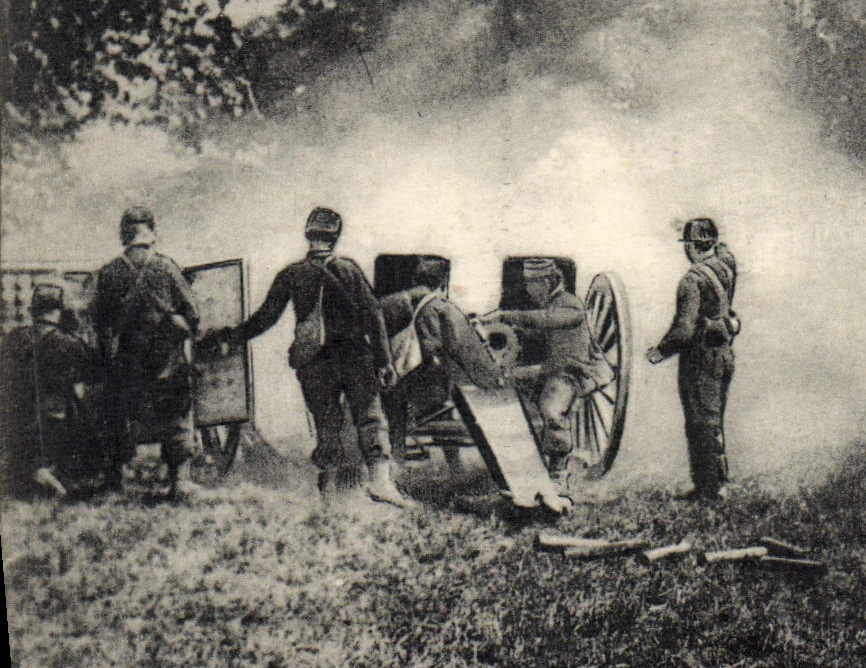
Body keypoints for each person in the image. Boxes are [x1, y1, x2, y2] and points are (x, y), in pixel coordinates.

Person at [225, 207, 408, 507]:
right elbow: (374, 315)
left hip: (315, 364)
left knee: (326, 425)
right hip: (354, 358)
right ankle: (381, 483)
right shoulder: (348, 269)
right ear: (335, 237)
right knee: (371, 418)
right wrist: (385, 362)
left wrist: (230, 336)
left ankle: (328, 498)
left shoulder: (292, 274)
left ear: (308, 236)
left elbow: (264, 318)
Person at [91, 206, 200, 497]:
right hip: (167, 365)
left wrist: (110, 360)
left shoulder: (109, 273)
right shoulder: (166, 267)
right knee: (178, 415)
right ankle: (180, 482)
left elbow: (100, 325)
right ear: (152, 233)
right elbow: (193, 314)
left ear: (123, 235)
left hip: (128, 368)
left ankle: (115, 482)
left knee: (115, 415)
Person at [492, 258, 610, 484]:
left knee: (552, 409)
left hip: (574, 373)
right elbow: (545, 333)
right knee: (504, 380)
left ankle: (557, 474)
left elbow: (549, 321)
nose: (527, 289)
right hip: (551, 369)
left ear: (546, 282)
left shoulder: (570, 304)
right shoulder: (553, 304)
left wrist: (506, 316)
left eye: (531, 283)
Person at [647, 218, 739, 502]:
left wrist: (660, 351)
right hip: (724, 354)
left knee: (700, 422)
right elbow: (726, 252)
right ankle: (714, 484)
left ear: (691, 246)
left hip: (699, 359)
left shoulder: (691, 281)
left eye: (686, 244)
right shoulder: (725, 266)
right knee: (714, 420)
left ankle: (711, 490)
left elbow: (684, 330)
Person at [379, 256, 505, 460]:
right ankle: (454, 465)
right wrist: (494, 377)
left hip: (397, 386)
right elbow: (468, 352)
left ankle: (399, 465)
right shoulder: (442, 309)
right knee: (449, 393)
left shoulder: (395, 304)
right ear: (444, 281)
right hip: (429, 393)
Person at [1, 285, 104, 496]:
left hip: (15, 419)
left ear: (32, 310)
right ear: (61, 311)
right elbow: (95, 373)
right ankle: (55, 475)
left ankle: (33, 472)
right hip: (55, 421)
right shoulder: (67, 341)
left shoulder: (13, 337)